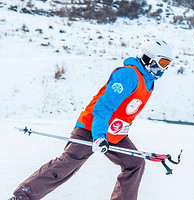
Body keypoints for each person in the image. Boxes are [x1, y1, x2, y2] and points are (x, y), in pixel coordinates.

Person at [9, 37, 173, 200]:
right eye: (163, 62)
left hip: (114, 133)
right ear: (148, 58)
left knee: (135, 164)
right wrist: (99, 135)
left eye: (168, 64)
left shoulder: (148, 82)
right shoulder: (128, 75)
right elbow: (104, 106)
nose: (164, 68)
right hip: (91, 127)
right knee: (67, 164)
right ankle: (22, 196)